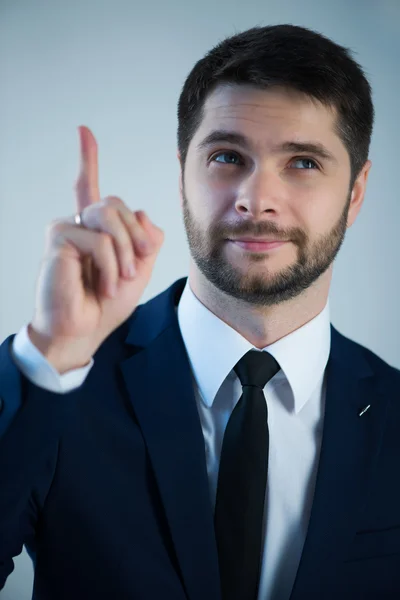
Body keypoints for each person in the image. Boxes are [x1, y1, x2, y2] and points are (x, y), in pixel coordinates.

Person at [0, 22, 399, 600]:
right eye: (228, 155)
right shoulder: (59, 380)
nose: (256, 198)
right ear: (183, 174)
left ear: (356, 192)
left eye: (304, 163)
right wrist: (49, 356)